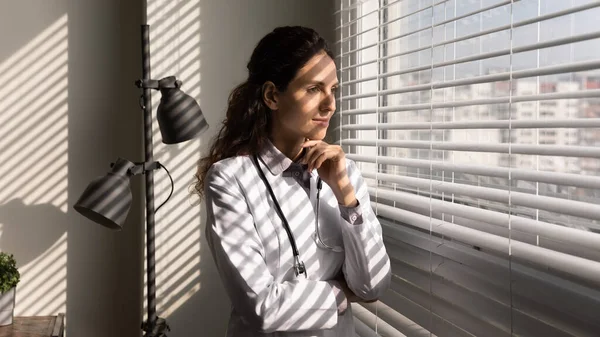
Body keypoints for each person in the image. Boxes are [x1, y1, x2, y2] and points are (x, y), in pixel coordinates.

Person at [194, 26, 391, 337]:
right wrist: (343, 294)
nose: (330, 105)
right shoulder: (231, 179)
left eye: (333, 89)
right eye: (314, 89)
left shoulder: (344, 173)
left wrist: (345, 196)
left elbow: (373, 284)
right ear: (273, 96)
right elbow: (262, 308)